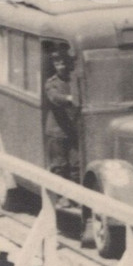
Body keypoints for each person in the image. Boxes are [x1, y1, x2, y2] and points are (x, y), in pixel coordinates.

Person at [44, 50, 80, 183]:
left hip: (73, 130)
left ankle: (74, 198)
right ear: (54, 65)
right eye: (57, 62)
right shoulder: (51, 83)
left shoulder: (74, 80)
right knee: (59, 167)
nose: (61, 65)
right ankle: (59, 198)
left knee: (76, 166)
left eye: (63, 62)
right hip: (57, 132)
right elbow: (55, 98)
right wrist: (70, 98)